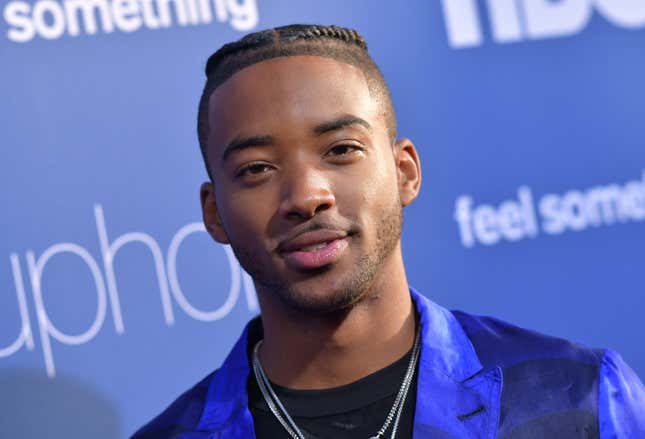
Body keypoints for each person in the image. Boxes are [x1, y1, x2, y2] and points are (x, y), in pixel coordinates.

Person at [132, 24, 645, 438]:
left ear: (405, 172)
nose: (308, 196)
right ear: (214, 213)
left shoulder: (576, 399)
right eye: (257, 169)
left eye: (340, 150)